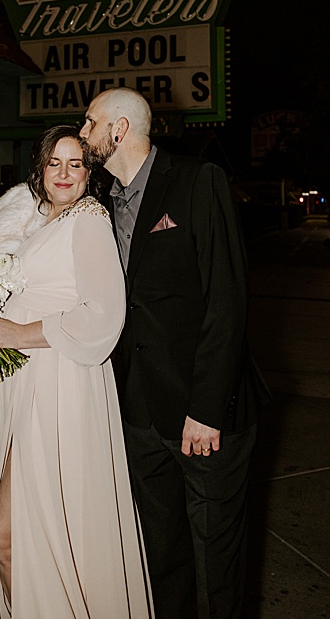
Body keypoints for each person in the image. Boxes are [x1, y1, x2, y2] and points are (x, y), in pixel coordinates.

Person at [79, 87, 269, 619]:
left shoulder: (196, 180)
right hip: (137, 412)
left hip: (205, 416)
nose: (82, 131)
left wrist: (207, 410)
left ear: (118, 130)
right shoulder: (100, 204)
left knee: (217, 566)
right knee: (160, 557)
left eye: (89, 122)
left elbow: (226, 302)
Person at [0, 126, 152, 618]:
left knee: (25, 536)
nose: (65, 173)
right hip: (28, 388)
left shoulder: (89, 219)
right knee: (14, 539)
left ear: (89, 172)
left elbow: (103, 315)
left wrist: (17, 332)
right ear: (40, 169)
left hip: (64, 388)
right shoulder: (41, 222)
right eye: (56, 163)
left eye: (76, 163)